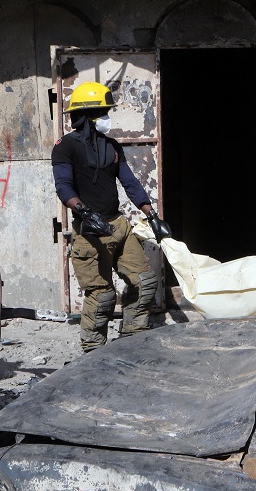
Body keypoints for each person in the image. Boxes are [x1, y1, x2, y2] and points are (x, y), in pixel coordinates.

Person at [51, 81, 171, 351]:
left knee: (145, 282)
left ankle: (132, 339)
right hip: (90, 231)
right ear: (87, 118)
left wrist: (151, 215)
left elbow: (130, 182)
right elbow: (63, 186)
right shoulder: (65, 147)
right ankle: (94, 352)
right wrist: (82, 211)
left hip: (119, 226)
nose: (107, 118)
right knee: (102, 296)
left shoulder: (112, 146)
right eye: (102, 113)